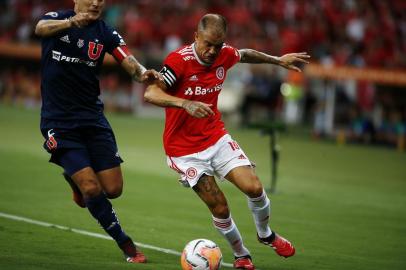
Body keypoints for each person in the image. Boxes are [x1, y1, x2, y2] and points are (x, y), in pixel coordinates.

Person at [144, 14, 310, 269]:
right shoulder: (178, 61)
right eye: (207, 44)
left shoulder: (224, 54)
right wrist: (185, 103)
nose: (212, 51)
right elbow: (151, 92)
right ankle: (241, 254)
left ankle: (265, 234)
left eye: (218, 45)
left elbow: (243, 54)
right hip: (184, 151)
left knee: (254, 188)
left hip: (215, 137)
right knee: (220, 207)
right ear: (196, 37)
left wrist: (277, 60)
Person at [35, 0, 161, 264]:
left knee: (113, 189)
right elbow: (40, 28)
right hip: (59, 122)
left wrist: (141, 74)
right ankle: (127, 245)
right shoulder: (57, 19)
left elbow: (128, 59)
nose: (95, 3)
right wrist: (71, 23)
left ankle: (74, 180)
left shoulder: (105, 32)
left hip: (93, 120)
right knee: (92, 189)